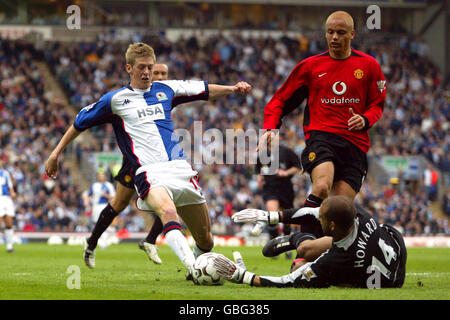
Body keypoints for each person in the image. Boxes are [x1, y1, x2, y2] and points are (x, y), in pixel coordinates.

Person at [44, 42, 252, 278]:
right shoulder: (115, 100)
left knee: (206, 239)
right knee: (167, 211)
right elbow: (79, 122)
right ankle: (193, 268)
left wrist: (233, 88)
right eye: (141, 67)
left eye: (150, 68)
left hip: (179, 168)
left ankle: (196, 266)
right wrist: (55, 153)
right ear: (129, 68)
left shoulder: (166, 89)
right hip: (148, 171)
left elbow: (204, 90)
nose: (146, 72)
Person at [256, 10, 386, 255]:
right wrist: (270, 128)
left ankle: (312, 254)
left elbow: (377, 104)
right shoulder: (311, 66)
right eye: (330, 32)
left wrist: (366, 119)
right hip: (321, 137)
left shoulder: (369, 66)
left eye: (340, 33)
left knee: (339, 211)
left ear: (352, 34)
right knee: (321, 187)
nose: (334, 37)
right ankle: (301, 242)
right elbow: (279, 100)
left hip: (355, 146)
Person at [82, 63, 171, 268]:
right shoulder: (130, 95)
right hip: (133, 161)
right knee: (118, 205)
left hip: (159, 161)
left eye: (163, 73)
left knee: (174, 199)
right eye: (155, 72)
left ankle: (149, 240)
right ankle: (92, 242)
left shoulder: (167, 94)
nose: (158, 76)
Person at [214, 196, 407, 288]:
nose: (317, 219)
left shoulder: (338, 259)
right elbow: (311, 213)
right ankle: (296, 241)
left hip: (379, 276)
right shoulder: (357, 215)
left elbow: (288, 282)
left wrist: (244, 276)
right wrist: (270, 216)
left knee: (298, 268)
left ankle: (298, 243)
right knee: (306, 250)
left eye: (321, 218)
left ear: (332, 225)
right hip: (396, 249)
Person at [255, 143, 301, 259]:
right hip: (270, 187)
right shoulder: (262, 153)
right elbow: (259, 169)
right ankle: (273, 246)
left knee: (286, 220)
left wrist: (286, 173)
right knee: (272, 213)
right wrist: (259, 178)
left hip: (285, 187)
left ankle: (287, 246)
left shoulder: (286, 151)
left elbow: (297, 167)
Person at [0, 158, 17, 253]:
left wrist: (12, 193)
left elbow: (10, 186)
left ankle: (9, 247)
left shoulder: (6, 173)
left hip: (6, 199)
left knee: (9, 222)